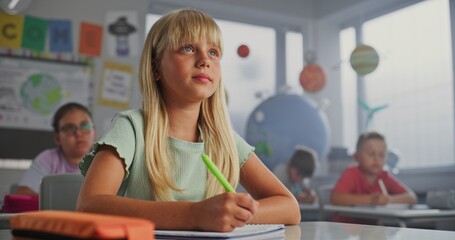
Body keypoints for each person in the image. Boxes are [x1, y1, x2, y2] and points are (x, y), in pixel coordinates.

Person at [76, 9, 300, 232]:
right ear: (155, 68)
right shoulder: (131, 128)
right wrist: (195, 214)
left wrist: (231, 216)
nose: (204, 60)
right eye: (188, 48)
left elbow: (290, 207)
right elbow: (88, 206)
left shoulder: (225, 140)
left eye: (213, 52)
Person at [331, 131, 417, 223]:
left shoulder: (384, 176)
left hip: (371, 231)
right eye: (371, 154)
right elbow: (336, 197)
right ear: (357, 157)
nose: (377, 159)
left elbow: (411, 197)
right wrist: (372, 200)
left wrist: (389, 199)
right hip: (345, 231)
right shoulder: (352, 173)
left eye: (381, 155)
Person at [16, 102, 96, 195]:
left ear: (94, 131)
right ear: (57, 138)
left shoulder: (104, 158)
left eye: (85, 126)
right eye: (69, 128)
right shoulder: (48, 159)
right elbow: (23, 193)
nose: (78, 133)